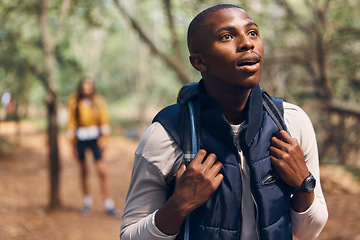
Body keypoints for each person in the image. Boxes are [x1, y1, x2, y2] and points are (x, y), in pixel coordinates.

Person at [120, 4, 328, 240]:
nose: (247, 43)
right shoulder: (166, 135)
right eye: (227, 36)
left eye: (252, 33)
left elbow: (310, 231)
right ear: (199, 62)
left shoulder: (291, 123)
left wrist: (303, 183)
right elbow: (130, 235)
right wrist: (179, 205)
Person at [66, 77, 118, 216]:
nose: (86, 90)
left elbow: (104, 119)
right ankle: (87, 203)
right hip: (80, 138)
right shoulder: (74, 101)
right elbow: (71, 122)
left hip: (95, 138)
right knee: (83, 171)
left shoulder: (98, 101)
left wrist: (104, 138)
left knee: (102, 171)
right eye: (84, 87)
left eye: (89, 87)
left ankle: (109, 204)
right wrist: (72, 144)